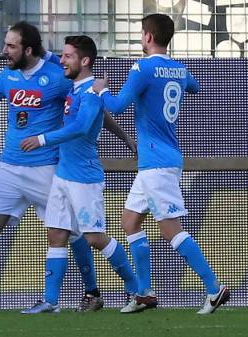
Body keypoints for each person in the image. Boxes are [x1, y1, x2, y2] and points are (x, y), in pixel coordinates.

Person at [0, 21, 136, 314]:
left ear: (28, 49)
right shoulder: (9, 75)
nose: (4, 51)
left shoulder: (58, 76)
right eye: (5, 45)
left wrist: (125, 137)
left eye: (11, 46)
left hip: (47, 167)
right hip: (9, 166)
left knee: (74, 232)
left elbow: (91, 110)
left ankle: (92, 292)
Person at [92, 13, 230, 314]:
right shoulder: (179, 69)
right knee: (129, 222)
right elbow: (193, 87)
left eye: (142, 33)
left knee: (171, 230)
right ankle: (144, 293)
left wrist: (100, 89)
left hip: (157, 163)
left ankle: (213, 287)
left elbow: (115, 106)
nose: (141, 38)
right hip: (158, 161)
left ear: (148, 37)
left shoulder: (142, 68)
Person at [19, 35, 138, 314]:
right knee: (56, 234)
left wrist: (42, 139)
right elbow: (47, 57)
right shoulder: (77, 88)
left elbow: (83, 127)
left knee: (95, 238)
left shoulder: (92, 92)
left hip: (84, 178)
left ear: (84, 61)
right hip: (63, 175)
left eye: (68, 56)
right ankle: (50, 301)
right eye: (62, 55)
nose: (62, 61)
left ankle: (138, 288)